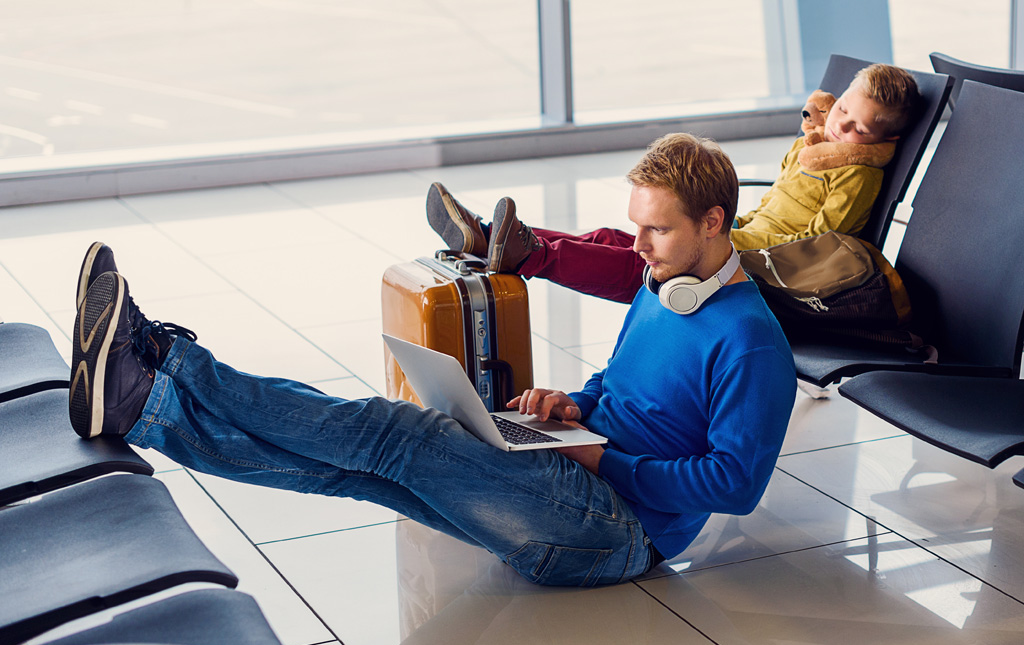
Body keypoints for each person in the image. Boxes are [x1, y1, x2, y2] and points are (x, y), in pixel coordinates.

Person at [69, 133, 796, 587]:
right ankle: (142, 406)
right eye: (635, 227)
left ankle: (168, 359)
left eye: (656, 231)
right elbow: (622, 380)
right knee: (356, 469)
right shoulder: (664, 284)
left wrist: (604, 462)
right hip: (581, 473)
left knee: (397, 434)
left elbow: (733, 487)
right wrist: (573, 406)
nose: (634, 248)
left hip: (618, 534)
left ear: (713, 223)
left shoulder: (751, 342)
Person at [427, 63, 921, 303]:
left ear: (885, 137)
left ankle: (528, 255)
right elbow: (774, 201)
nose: (843, 128)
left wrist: (739, 243)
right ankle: (496, 237)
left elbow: (819, 242)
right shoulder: (814, 144)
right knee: (612, 239)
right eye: (843, 112)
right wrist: (739, 224)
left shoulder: (856, 174)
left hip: (768, 262)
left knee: (640, 261)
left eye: (861, 129)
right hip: (746, 233)